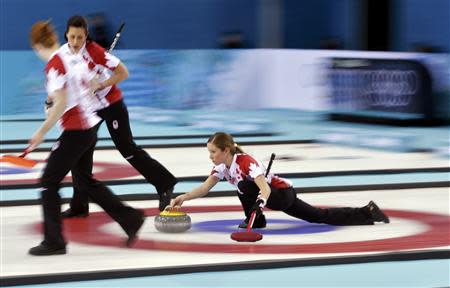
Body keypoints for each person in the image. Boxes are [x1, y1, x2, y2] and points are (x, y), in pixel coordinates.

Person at [28, 20, 145, 256]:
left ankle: (54, 241)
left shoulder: (54, 65)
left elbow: (60, 102)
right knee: (84, 181)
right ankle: (130, 219)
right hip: (90, 126)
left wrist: (41, 132)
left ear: (37, 46)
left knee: (48, 182)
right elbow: (65, 94)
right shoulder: (67, 52)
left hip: (77, 130)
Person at [54, 15, 177, 218]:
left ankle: (165, 184)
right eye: (72, 37)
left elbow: (123, 72)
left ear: (86, 36)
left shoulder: (96, 52)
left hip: (111, 105)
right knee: (80, 151)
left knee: (127, 148)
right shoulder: (63, 54)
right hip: (88, 107)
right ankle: (79, 205)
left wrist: (101, 83)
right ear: (66, 34)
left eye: (80, 38)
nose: (76, 42)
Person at [170, 132, 390, 229]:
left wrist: (259, 204)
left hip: (281, 194)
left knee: (244, 185)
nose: (211, 156)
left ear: (226, 150)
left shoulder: (246, 162)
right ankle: (368, 212)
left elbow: (263, 189)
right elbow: (205, 188)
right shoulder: (221, 167)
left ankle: (256, 219)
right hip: (273, 196)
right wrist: (184, 197)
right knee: (317, 216)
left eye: (213, 152)